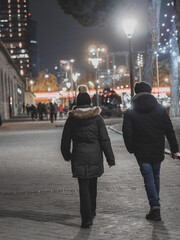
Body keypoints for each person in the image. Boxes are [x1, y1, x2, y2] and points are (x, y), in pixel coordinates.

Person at [122, 81, 179, 221]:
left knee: (148, 179)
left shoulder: (130, 111)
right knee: (155, 177)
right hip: (157, 148)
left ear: (135, 92)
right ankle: (155, 205)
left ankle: (155, 208)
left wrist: (131, 148)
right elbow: (169, 130)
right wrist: (174, 149)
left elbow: (127, 132)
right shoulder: (160, 109)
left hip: (141, 150)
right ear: (150, 91)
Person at [61, 86, 115, 228]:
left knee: (83, 187)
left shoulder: (72, 119)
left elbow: (65, 139)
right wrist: (110, 158)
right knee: (93, 185)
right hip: (94, 155)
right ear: (90, 102)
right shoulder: (97, 118)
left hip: (79, 155)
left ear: (77, 103)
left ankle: (86, 220)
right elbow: (104, 139)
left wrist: (66, 154)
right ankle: (92, 211)